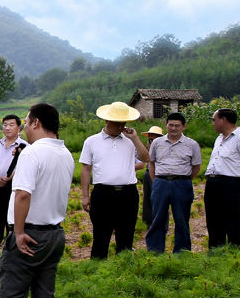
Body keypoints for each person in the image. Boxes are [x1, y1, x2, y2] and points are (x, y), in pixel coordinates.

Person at [0, 103, 75, 298]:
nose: (25, 127)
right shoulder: (65, 153)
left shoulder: (32, 153)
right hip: (54, 234)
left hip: (30, 234)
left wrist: (19, 233)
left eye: (26, 121)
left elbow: (23, 194)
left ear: (36, 122)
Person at [79, 102, 149, 259]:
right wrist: (85, 195)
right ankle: (98, 271)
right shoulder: (92, 141)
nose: (121, 126)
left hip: (128, 194)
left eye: (123, 122)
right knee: (101, 236)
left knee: (126, 236)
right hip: (103, 193)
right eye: (117, 123)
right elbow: (85, 169)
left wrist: (136, 139)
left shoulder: (130, 140)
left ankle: (123, 271)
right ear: (107, 121)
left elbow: (146, 158)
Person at [145, 113, 202, 253]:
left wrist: (185, 180)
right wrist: (156, 180)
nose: (173, 128)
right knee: (157, 218)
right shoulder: (157, 143)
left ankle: (182, 253)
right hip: (161, 182)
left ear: (183, 127)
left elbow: (196, 167)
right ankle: (155, 252)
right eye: (171, 125)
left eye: (177, 126)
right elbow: (151, 163)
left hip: (182, 184)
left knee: (182, 219)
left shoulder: (192, 144)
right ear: (166, 125)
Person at [204, 107, 240, 251]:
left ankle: (237, 257)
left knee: (234, 223)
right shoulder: (219, 139)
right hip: (213, 183)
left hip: (232, 184)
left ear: (223, 120)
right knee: (214, 223)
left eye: (214, 120)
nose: (213, 123)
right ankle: (216, 255)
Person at [0, 115, 27, 259]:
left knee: (12, 221)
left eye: (11, 125)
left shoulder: (24, 146)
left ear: (18, 128)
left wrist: (9, 178)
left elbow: (24, 166)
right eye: (5, 125)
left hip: (13, 187)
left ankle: (11, 255)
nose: (7, 128)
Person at [137, 125, 163, 227]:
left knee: (158, 198)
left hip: (158, 174)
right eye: (150, 135)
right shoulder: (148, 145)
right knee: (147, 198)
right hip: (147, 172)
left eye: (154, 135)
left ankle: (159, 223)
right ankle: (148, 221)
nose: (151, 137)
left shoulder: (163, 146)